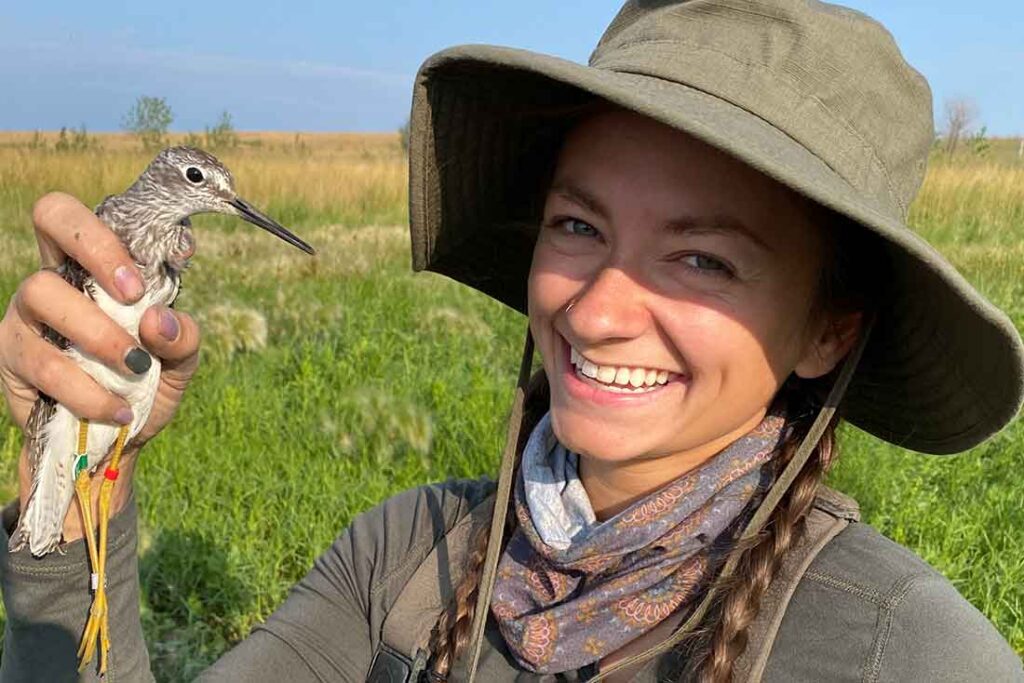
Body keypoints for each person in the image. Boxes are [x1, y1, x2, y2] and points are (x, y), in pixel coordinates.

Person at [1, 1, 1022, 681]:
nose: (596, 309)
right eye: (576, 225)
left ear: (826, 329)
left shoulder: (902, 649)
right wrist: (82, 463)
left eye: (703, 258)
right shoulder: (399, 560)